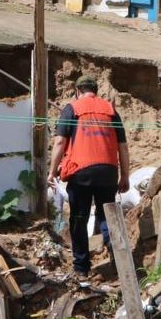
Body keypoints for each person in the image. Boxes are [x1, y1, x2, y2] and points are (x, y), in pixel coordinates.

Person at [49, 75, 130, 277]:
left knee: (79, 218)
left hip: (81, 173)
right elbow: (123, 147)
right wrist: (125, 176)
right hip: (108, 172)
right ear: (96, 91)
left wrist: (51, 172)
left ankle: (81, 268)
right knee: (107, 217)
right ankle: (120, 265)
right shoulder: (111, 110)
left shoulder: (72, 109)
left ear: (78, 91)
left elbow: (59, 143)